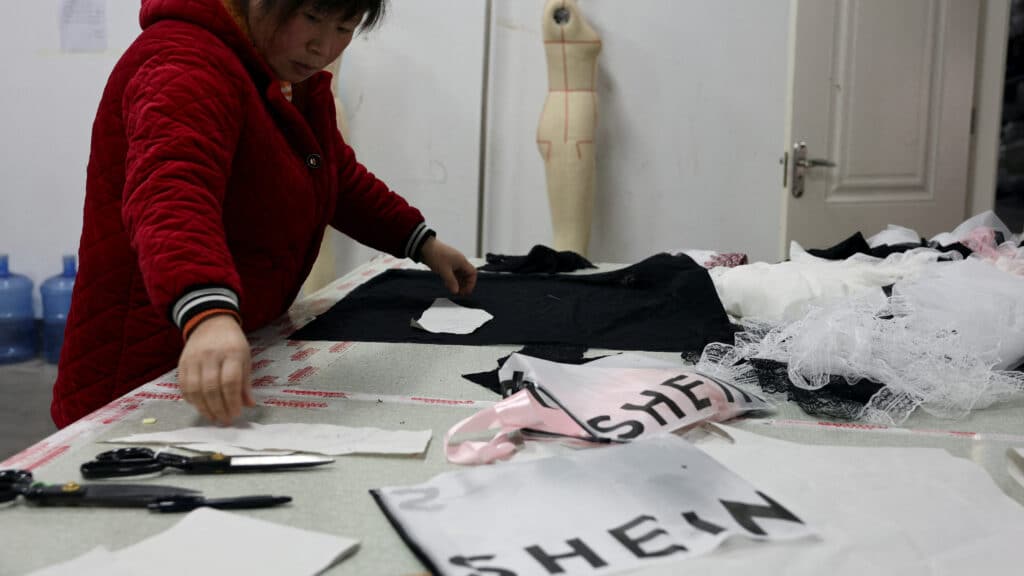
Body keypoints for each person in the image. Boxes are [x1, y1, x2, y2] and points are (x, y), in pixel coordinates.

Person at [51, 0, 477, 428]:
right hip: (147, 364)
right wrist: (208, 315)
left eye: (344, 28)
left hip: (222, 349)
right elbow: (174, 197)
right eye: (312, 18)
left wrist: (421, 242)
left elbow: (335, 177)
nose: (323, 47)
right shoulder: (184, 62)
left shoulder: (277, 74)